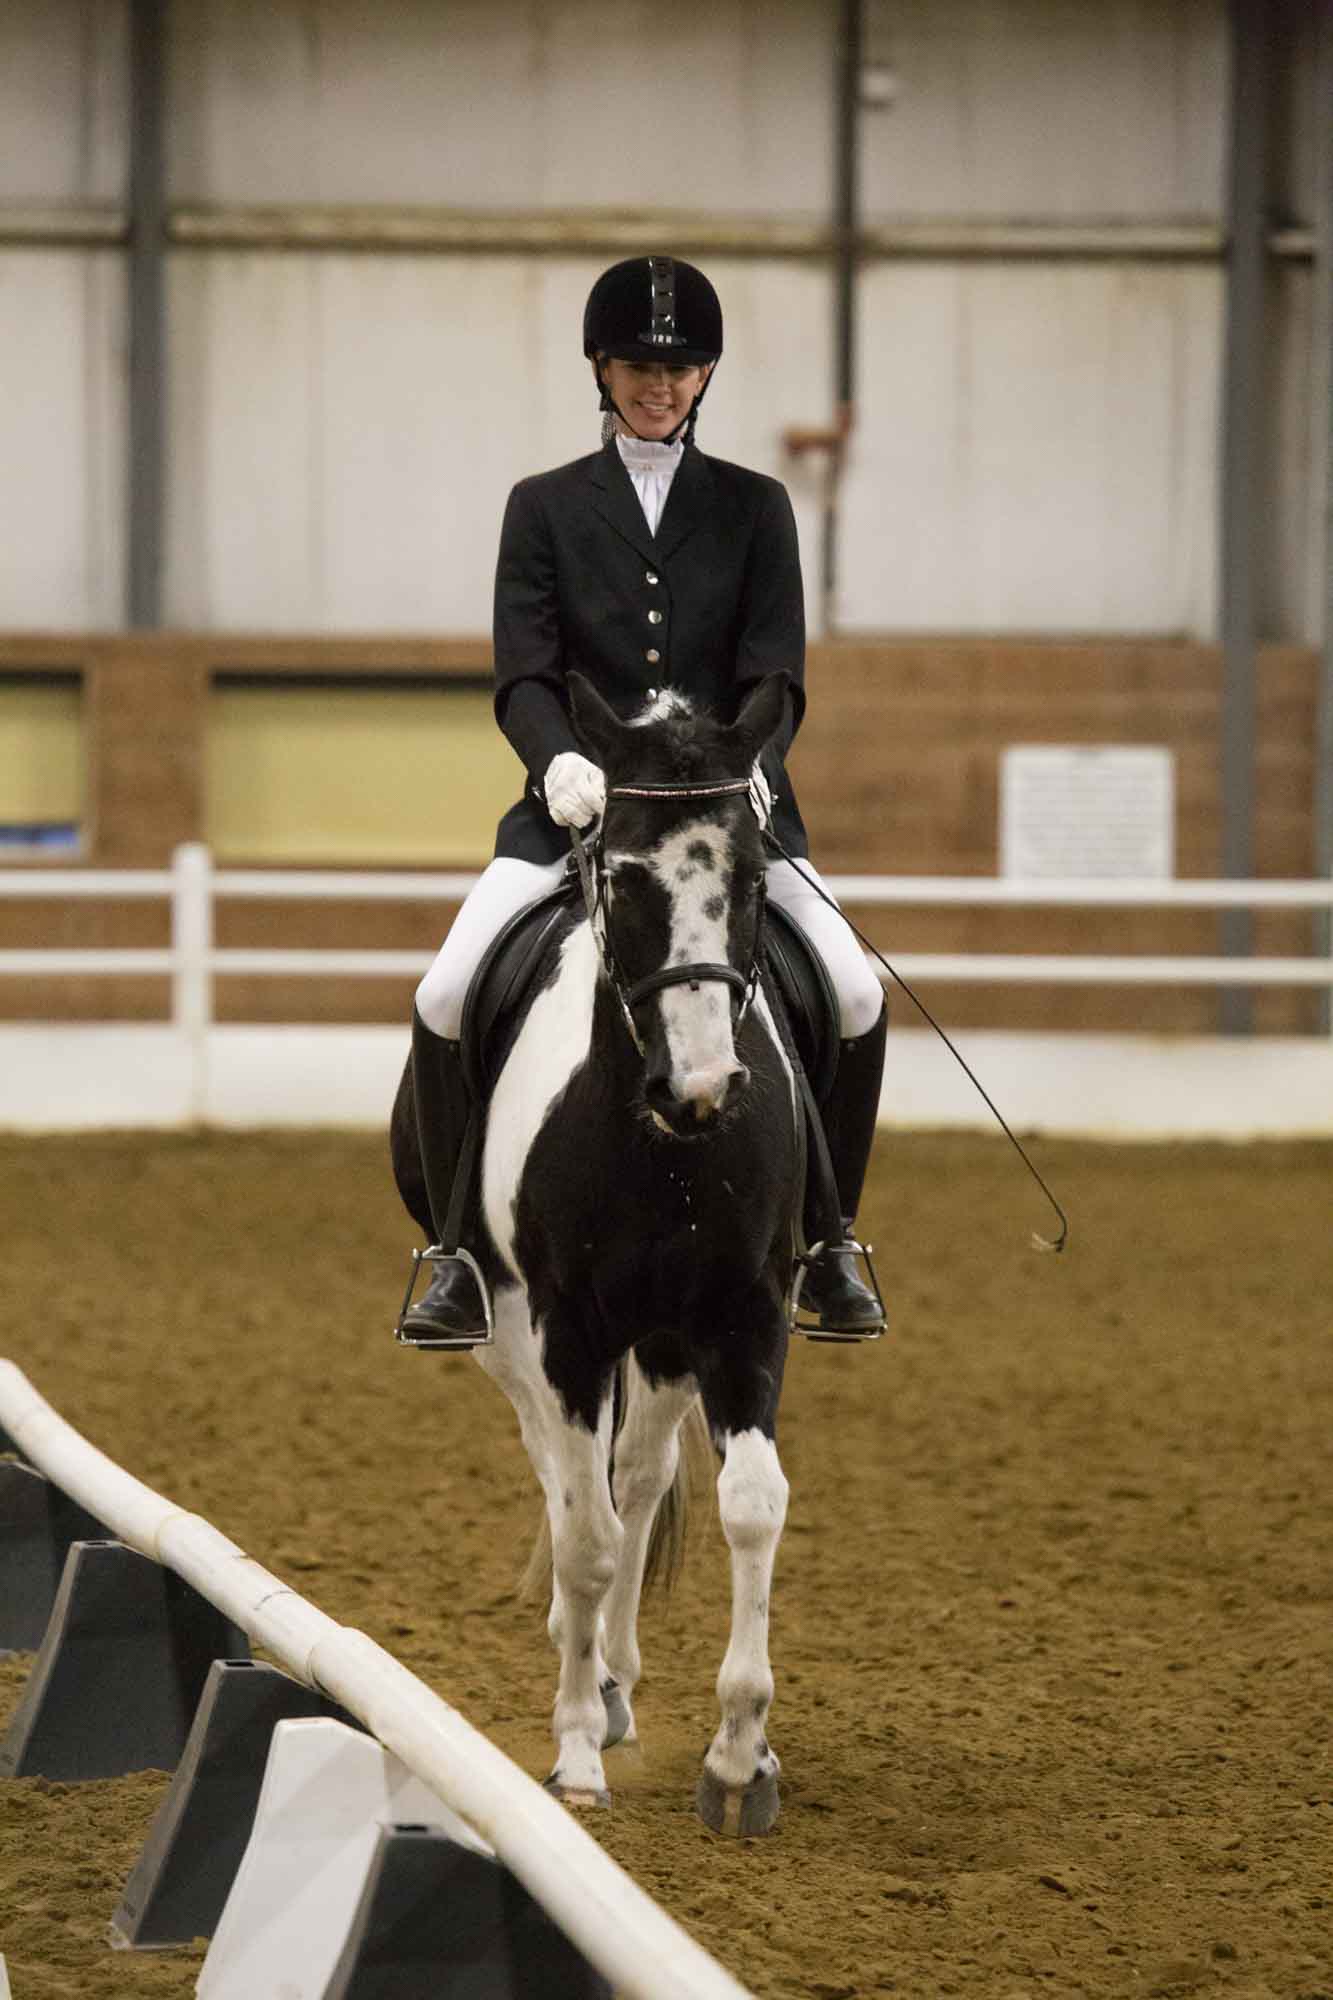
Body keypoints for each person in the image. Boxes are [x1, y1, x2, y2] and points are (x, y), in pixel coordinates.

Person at [402, 255, 887, 1340]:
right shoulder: (543, 507)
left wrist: (756, 760)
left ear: (704, 375)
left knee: (854, 992)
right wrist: (554, 761)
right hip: (579, 807)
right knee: (446, 991)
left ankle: (828, 1241)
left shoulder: (756, 507)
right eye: (636, 366)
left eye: (677, 368)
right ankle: (457, 1254)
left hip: (728, 811)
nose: (657, 386)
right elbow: (525, 672)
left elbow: (775, 673)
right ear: (602, 370)